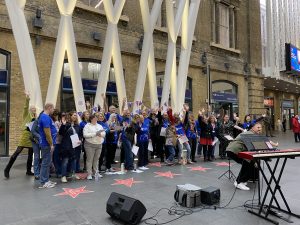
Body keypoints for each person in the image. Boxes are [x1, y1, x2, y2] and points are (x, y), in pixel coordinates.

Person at [226, 122, 278, 191]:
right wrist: (274, 144)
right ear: (252, 128)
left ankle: (247, 179)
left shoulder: (252, 134)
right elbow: (264, 140)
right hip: (234, 150)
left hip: (235, 150)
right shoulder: (250, 134)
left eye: (261, 127)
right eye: (258, 127)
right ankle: (239, 182)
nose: (260, 129)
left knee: (250, 163)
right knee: (248, 163)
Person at [4, 92, 35, 179]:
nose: (34, 110)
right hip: (25, 135)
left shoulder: (35, 117)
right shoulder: (26, 115)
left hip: (31, 137)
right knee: (17, 152)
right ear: (29, 109)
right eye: (32, 109)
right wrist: (27, 98)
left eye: (34, 109)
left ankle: (28, 171)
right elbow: (25, 107)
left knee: (30, 154)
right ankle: (7, 169)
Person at [59, 111, 82, 183]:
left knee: (74, 160)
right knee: (65, 161)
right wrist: (63, 125)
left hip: (75, 146)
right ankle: (63, 176)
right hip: (66, 146)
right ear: (70, 116)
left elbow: (80, 134)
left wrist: (80, 140)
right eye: (74, 115)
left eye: (76, 116)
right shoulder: (66, 124)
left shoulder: (77, 125)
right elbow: (61, 133)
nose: (75, 117)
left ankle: (73, 173)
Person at [38, 103, 57, 188]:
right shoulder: (45, 117)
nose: (53, 110)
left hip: (47, 144)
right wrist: (51, 144)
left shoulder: (46, 117)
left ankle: (45, 180)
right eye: (53, 108)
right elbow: (47, 133)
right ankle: (43, 182)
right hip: (46, 144)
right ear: (49, 108)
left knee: (47, 162)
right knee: (45, 163)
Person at [83, 114, 106, 180]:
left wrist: (100, 134)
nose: (96, 119)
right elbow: (85, 135)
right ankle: (89, 174)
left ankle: (96, 172)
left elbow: (104, 134)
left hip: (99, 144)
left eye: (96, 118)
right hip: (90, 144)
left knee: (96, 159)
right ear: (91, 119)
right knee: (90, 159)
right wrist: (95, 134)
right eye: (95, 118)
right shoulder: (87, 126)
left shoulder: (99, 125)